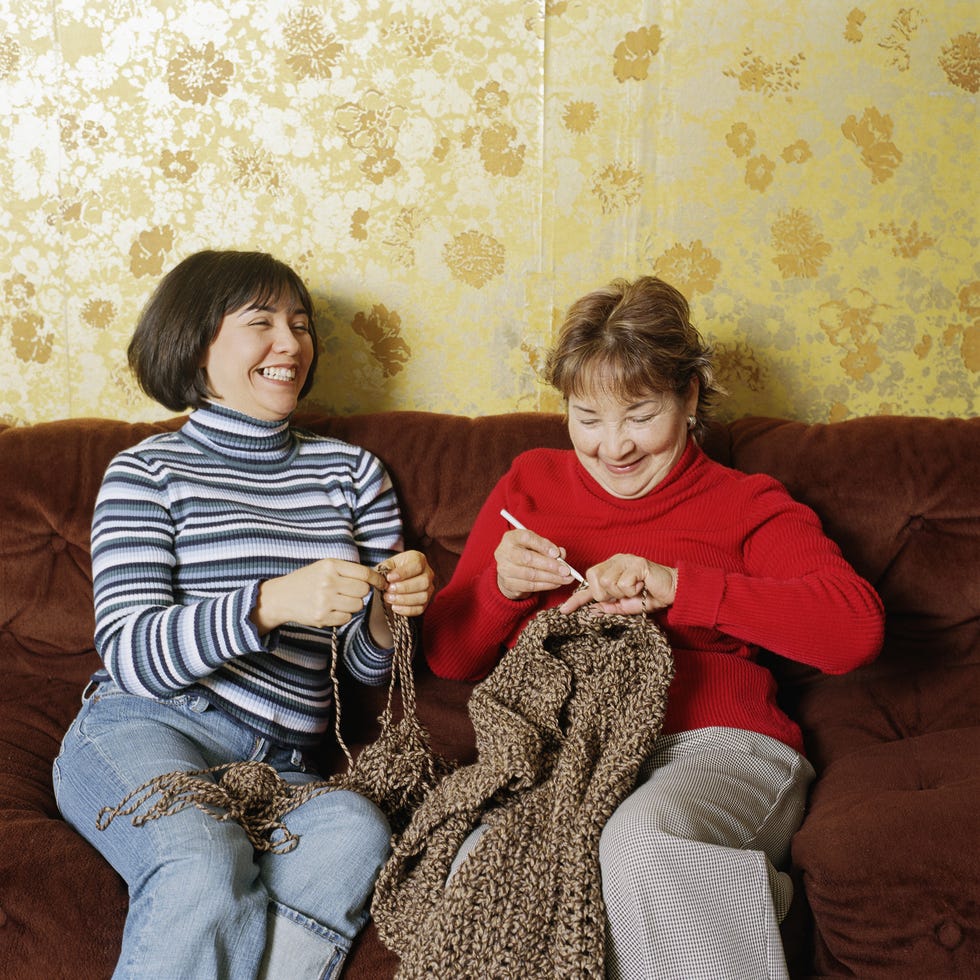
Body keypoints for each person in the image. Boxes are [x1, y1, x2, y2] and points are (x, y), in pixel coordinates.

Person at [423, 275, 885, 979]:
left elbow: (854, 631)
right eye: (587, 418)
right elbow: (450, 657)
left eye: (639, 414)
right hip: (568, 763)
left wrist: (680, 587)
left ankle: (716, 883)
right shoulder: (530, 485)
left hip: (720, 750)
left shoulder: (746, 502)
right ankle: (737, 893)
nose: (614, 447)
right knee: (488, 870)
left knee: (637, 841)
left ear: (690, 397)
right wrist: (501, 587)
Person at [53, 250, 435, 980]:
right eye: (261, 323)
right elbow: (132, 652)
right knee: (202, 858)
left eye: (300, 325)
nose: (291, 344)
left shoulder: (351, 474)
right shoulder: (145, 472)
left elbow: (363, 665)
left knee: (357, 830)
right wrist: (268, 604)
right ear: (196, 343)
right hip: (148, 727)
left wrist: (391, 611)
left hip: (282, 765)